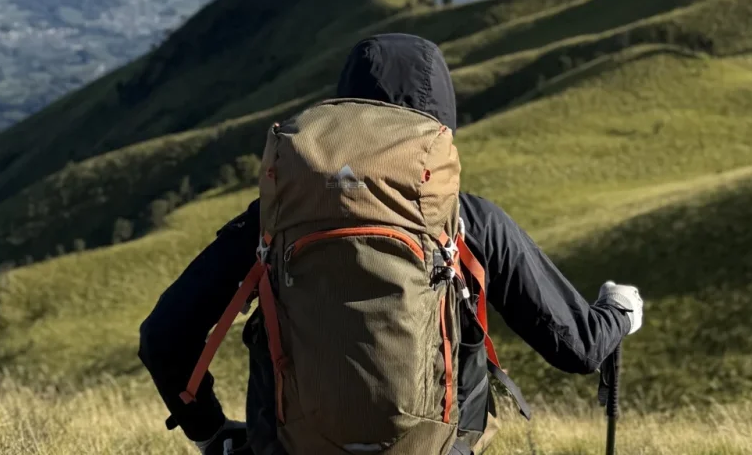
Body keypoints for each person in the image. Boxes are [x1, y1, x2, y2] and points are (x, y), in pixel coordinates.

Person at [139, 33, 644, 455]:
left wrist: (210, 430)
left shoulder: (273, 220)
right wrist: (619, 312)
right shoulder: (469, 222)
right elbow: (577, 347)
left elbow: (164, 337)